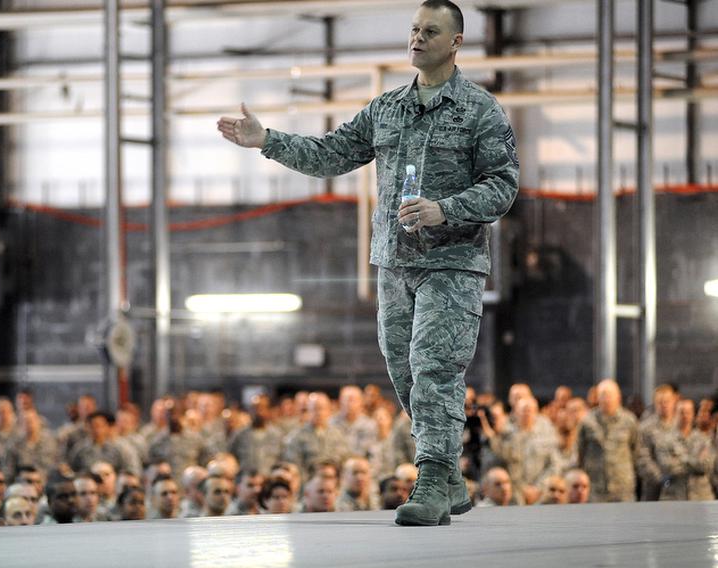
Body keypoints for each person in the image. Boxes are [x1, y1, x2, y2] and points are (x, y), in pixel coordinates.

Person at [217, 0, 518, 528]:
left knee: (433, 369)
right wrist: (267, 141)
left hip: (451, 262)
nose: (417, 38)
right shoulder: (387, 109)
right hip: (394, 263)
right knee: (403, 372)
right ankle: (448, 480)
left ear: (455, 42)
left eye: (430, 31)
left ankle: (431, 476)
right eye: (413, 29)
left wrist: (445, 209)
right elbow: (332, 153)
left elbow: (503, 184)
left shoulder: (480, 110)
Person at [577, 379, 639, 502]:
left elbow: (635, 450)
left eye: (610, 396)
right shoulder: (587, 421)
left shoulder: (629, 420)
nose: (606, 400)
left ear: (618, 397)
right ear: (597, 398)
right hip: (595, 486)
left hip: (623, 486)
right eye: (603, 396)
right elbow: (581, 451)